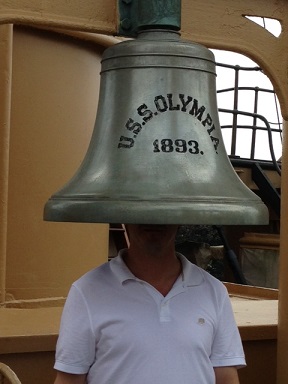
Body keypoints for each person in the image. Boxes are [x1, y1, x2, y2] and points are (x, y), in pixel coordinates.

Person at [54, 224, 246, 384]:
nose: (154, 220)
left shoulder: (213, 291)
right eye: (142, 210)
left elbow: (225, 375)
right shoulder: (87, 291)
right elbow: (70, 378)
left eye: (164, 211)